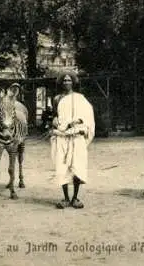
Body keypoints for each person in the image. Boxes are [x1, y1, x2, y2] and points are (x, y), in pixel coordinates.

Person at [50, 72, 95, 209]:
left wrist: (77, 121)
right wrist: (55, 121)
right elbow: (54, 116)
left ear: (73, 82)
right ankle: (65, 198)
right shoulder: (57, 99)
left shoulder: (81, 99)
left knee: (77, 167)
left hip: (76, 136)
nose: (66, 82)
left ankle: (75, 198)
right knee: (62, 167)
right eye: (64, 80)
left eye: (69, 80)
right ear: (61, 83)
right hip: (62, 136)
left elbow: (87, 116)